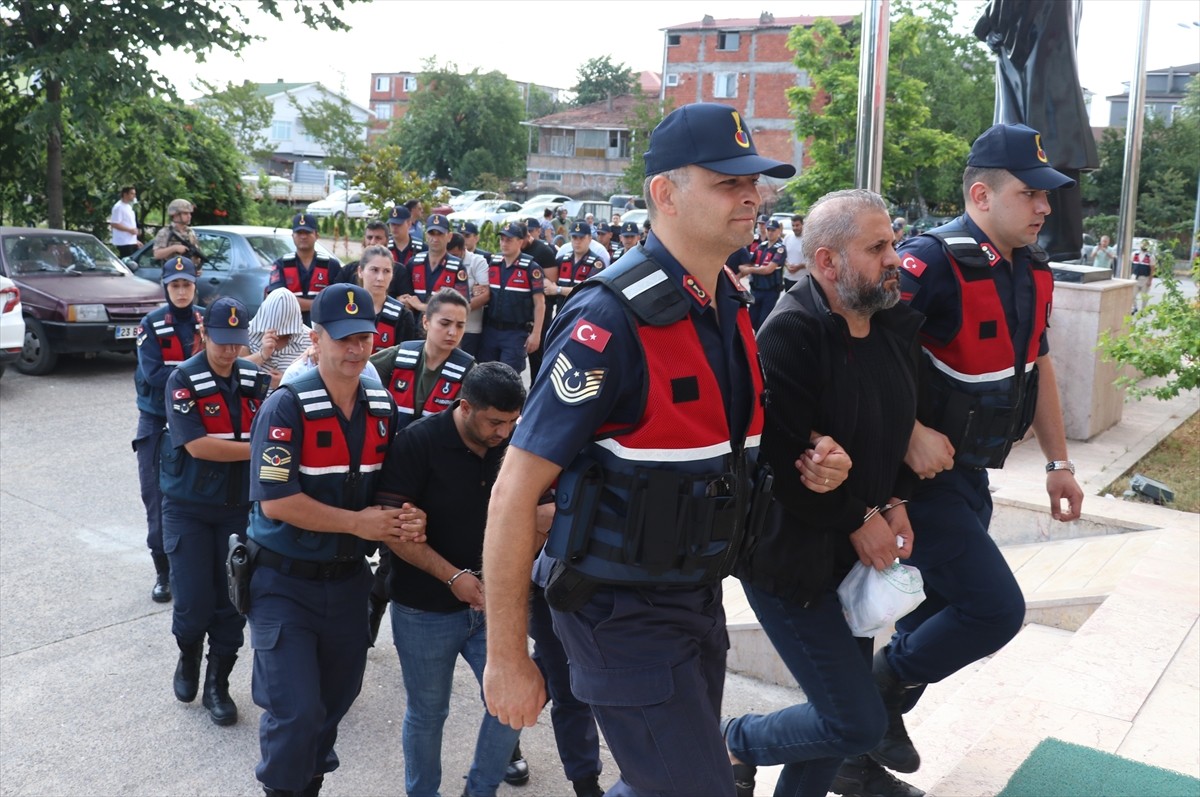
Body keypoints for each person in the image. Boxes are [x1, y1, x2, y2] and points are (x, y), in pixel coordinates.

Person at [481, 103, 843, 796]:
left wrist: (815, 463)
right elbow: (512, 493)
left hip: (696, 601)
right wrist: (507, 655)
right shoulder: (607, 319)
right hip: (621, 615)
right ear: (665, 194)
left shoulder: (727, 305)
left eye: (756, 182)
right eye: (728, 182)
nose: (752, 196)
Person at [842, 122, 1085, 797]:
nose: (1044, 206)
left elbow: (1038, 365)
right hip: (913, 482)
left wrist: (1057, 463)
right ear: (981, 193)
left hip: (972, 474)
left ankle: (856, 750)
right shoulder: (928, 261)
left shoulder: (1033, 270)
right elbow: (861, 352)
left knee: (937, 610)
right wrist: (911, 428)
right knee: (993, 609)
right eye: (1029, 193)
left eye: (1047, 195)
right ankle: (877, 690)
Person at [721, 189, 921, 797]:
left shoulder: (891, 325)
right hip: (790, 562)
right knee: (854, 720)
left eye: (894, 241)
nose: (897, 257)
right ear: (828, 262)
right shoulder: (790, 333)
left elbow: (897, 429)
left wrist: (895, 502)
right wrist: (861, 513)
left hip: (853, 559)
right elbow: (784, 463)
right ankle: (736, 740)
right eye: (878, 246)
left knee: (832, 722)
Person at [245, 284, 425, 797]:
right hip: (283, 581)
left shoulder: (381, 407)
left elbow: (390, 489)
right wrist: (358, 524)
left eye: (365, 337)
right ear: (316, 338)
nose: (356, 349)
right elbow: (276, 501)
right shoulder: (286, 406)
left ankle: (309, 783)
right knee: (296, 710)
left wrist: (404, 518)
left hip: (347, 582)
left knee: (336, 701)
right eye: (343, 338)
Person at [375, 362, 526, 797]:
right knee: (427, 712)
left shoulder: (512, 445)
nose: (504, 433)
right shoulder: (418, 443)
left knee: (509, 704)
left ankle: (480, 790)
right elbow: (395, 530)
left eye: (512, 423)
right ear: (465, 406)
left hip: (494, 605)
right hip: (424, 608)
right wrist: (453, 577)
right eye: (496, 422)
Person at [161, 297, 267, 727]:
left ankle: (217, 685)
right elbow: (198, 445)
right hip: (188, 507)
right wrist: (256, 451)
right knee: (192, 600)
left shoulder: (256, 378)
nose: (228, 351)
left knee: (232, 601)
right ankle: (188, 656)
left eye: (236, 343)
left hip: (238, 509)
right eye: (221, 341)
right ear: (205, 334)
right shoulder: (182, 380)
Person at [133, 256, 204, 603]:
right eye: (174, 285)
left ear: (195, 285)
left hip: (200, 420)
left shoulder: (208, 321)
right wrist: (196, 382)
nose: (180, 291)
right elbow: (153, 375)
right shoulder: (150, 324)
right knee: (156, 497)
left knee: (203, 492)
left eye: (186, 284)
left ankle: (195, 565)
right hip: (158, 421)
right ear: (165, 287)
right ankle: (163, 571)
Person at [477, 222, 544, 378]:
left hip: (515, 332)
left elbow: (540, 304)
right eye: (502, 239)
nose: (504, 243)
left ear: (520, 242)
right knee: (486, 376)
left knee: (508, 379)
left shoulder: (531, 268)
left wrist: (536, 334)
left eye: (509, 240)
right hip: (491, 330)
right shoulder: (494, 264)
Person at [265, 213, 341, 320]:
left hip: (323, 328)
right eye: (299, 232)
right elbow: (276, 301)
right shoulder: (280, 264)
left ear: (316, 236)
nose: (303, 236)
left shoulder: (331, 265)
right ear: (293, 236)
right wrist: (320, 305)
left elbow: (338, 301)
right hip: (289, 327)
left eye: (307, 232)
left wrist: (292, 303)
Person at [241, 288, 311, 394]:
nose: (277, 334)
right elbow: (234, 369)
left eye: (285, 331)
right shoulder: (247, 332)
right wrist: (262, 354)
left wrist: (286, 382)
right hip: (252, 406)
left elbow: (317, 383)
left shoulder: (310, 339)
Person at [402, 213, 470, 320]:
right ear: (426, 235)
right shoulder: (413, 263)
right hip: (412, 327)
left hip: (442, 329)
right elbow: (404, 296)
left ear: (449, 236)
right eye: (432, 233)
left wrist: (421, 307)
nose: (435, 238)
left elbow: (462, 305)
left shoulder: (457, 267)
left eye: (440, 234)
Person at [357, 245, 417, 352]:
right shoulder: (346, 307)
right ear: (360, 271)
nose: (380, 278)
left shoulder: (403, 316)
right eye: (374, 270)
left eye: (386, 271)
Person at [447, 227, 492, 357]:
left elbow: (485, 294)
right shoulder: (442, 261)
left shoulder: (477, 261)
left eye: (454, 255)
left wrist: (453, 311)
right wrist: (469, 295)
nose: (452, 259)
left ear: (463, 250)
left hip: (470, 328)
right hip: (444, 327)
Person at [740, 218, 786, 330]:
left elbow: (768, 269)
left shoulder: (780, 249)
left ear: (778, 231)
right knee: (751, 319)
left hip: (770, 291)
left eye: (773, 230)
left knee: (763, 321)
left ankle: (761, 346)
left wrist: (750, 270)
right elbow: (749, 263)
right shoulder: (762, 246)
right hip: (756, 289)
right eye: (768, 230)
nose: (770, 232)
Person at [332, 221, 390, 285]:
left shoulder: (399, 272)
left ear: (387, 241)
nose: (372, 242)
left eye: (378, 238)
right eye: (369, 237)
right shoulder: (347, 271)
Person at [153, 198, 203, 268]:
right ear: (175, 215)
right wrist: (174, 248)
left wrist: (198, 268)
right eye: (185, 213)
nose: (189, 216)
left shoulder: (190, 232)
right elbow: (157, 254)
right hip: (171, 274)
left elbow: (197, 254)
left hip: (188, 274)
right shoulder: (165, 232)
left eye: (190, 213)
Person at [386, 205, 423, 298]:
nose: (394, 228)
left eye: (399, 224)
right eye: (392, 224)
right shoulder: (384, 248)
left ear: (409, 224)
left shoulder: (422, 248)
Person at [109, 185, 141, 257]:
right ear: (125, 194)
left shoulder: (129, 206)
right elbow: (114, 224)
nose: (134, 196)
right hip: (123, 242)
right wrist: (130, 230)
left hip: (130, 241)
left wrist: (135, 240)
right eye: (132, 193)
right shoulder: (118, 207)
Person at [1131, 238, 1156, 313]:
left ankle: (1143, 310)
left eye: (1146, 244)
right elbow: (1131, 265)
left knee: (1144, 296)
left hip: (1145, 278)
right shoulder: (1134, 254)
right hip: (1135, 277)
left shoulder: (1150, 256)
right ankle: (1134, 307)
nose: (1144, 246)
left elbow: (1152, 269)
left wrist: (1150, 280)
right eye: (1143, 244)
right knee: (1132, 294)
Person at [783, 215, 806, 291]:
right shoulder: (787, 237)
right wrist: (787, 265)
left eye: (797, 225)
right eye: (793, 225)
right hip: (788, 278)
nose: (795, 228)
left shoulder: (808, 239)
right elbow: (782, 255)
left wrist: (799, 266)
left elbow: (813, 260)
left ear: (803, 225)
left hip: (803, 279)